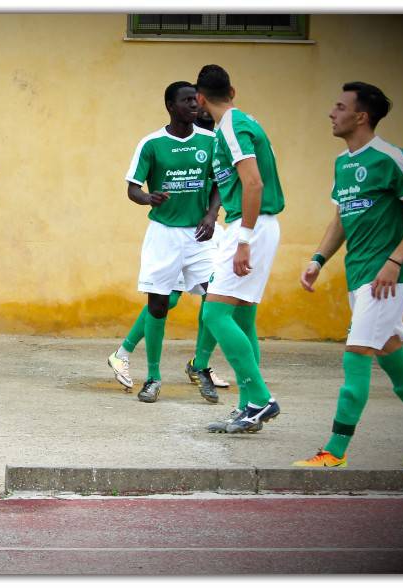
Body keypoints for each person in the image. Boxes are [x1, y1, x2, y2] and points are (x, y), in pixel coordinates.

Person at [293, 82, 403, 468]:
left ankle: (335, 451)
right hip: (359, 276)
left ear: (361, 116)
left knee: (356, 355)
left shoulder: (390, 158)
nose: (331, 113)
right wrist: (318, 259)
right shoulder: (343, 163)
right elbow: (341, 217)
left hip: (384, 279)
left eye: (340, 107)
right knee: (390, 355)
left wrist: (394, 262)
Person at [108, 81, 222, 404]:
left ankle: (200, 366)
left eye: (196, 100)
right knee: (158, 305)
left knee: (215, 301)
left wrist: (212, 215)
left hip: (199, 235)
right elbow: (132, 188)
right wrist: (147, 197)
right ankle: (154, 377)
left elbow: (218, 184)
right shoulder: (152, 144)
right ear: (171, 106)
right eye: (187, 101)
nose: (195, 106)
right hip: (163, 235)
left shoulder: (210, 141)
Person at [195, 64, 285, 434]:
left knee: (215, 316)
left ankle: (261, 399)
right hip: (256, 225)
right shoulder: (238, 123)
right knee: (243, 319)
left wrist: (243, 240)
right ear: (232, 90)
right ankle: (250, 407)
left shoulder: (232, 126)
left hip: (251, 225)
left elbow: (254, 184)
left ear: (200, 98)